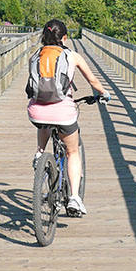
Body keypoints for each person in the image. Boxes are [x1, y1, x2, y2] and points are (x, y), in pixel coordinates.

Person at [26, 19, 109, 216]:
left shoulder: (34, 56)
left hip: (36, 112)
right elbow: (93, 80)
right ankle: (74, 198)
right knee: (72, 152)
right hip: (63, 112)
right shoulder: (72, 56)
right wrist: (104, 94)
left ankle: (39, 153)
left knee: (44, 118)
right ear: (64, 38)